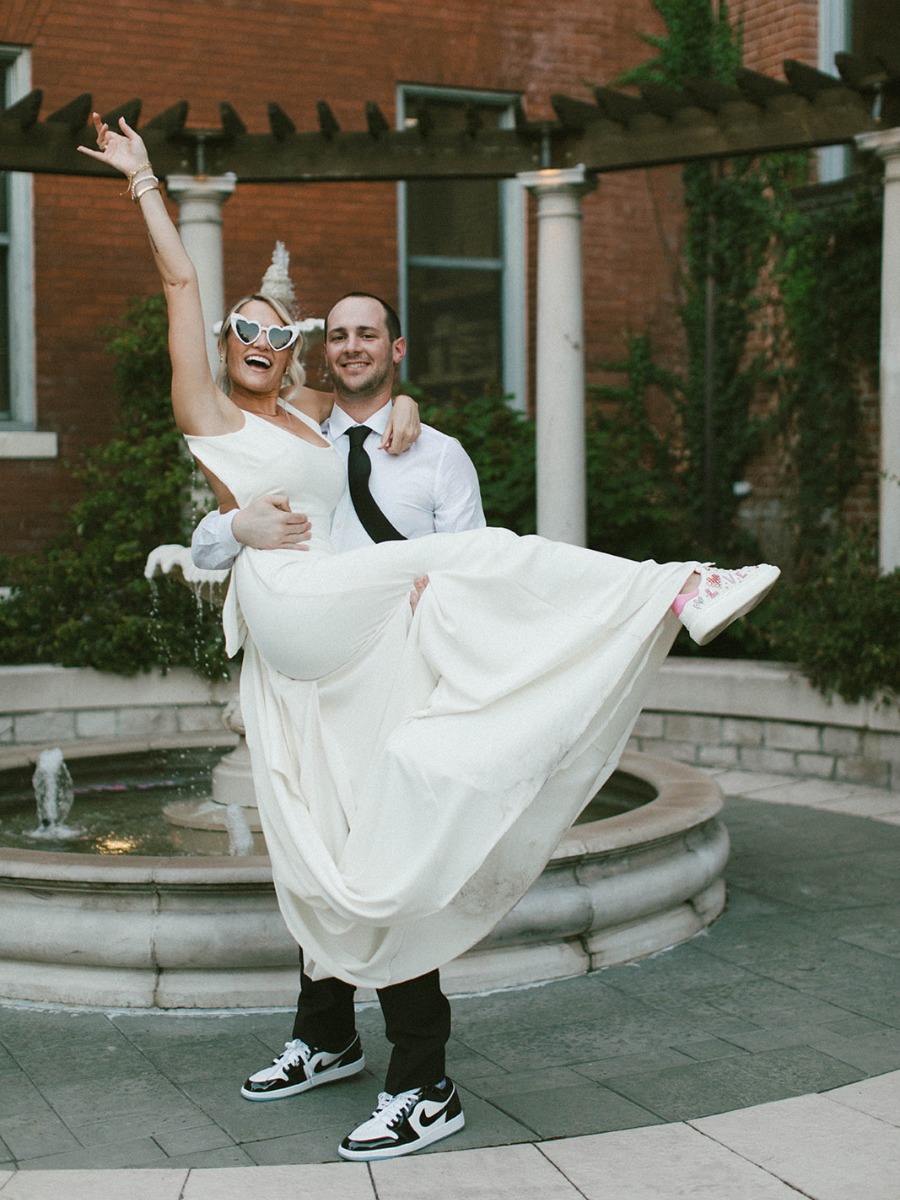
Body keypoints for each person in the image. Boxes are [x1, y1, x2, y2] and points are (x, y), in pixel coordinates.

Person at [80, 114, 780, 1162]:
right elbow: (183, 295)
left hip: (347, 643)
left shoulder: (317, 416)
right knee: (328, 845)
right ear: (225, 345)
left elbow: (359, 404)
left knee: (373, 836)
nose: (264, 343)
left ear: (301, 349)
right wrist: (145, 181)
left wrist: (397, 399)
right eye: (246, 330)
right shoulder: (211, 411)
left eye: (283, 332)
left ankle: (672, 588)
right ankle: (333, 1043)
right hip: (294, 639)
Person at [191, 289, 486, 1143]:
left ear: (397, 350)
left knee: (386, 863)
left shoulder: (437, 454)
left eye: (370, 336)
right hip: (320, 687)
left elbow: (468, 563)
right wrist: (237, 527)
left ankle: (426, 1080)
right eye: (341, 336)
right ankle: (326, 1037)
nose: (353, 347)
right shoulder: (302, 433)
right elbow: (220, 533)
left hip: (403, 686)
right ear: (324, 356)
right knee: (320, 852)